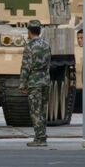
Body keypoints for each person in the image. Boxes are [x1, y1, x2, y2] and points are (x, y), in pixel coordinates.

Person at [18, 19, 51, 147]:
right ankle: (43, 134)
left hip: (34, 82)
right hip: (45, 80)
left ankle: (40, 138)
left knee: (35, 110)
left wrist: (22, 84)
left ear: (30, 31)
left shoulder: (29, 46)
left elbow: (26, 67)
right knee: (42, 110)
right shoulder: (46, 45)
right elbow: (48, 64)